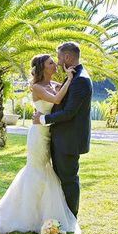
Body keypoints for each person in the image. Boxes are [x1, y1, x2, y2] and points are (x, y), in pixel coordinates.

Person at [0, 53, 81, 234]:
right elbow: (58, 99)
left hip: (49, 134)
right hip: (37, 136)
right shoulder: (37, 87)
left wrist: (68, 79)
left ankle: (42, 214)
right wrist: (69, 78)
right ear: (43, 68)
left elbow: (64, 96)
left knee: (45, 171)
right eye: (51, 63)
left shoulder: (52, 84)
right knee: (35, 170)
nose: (55, 65)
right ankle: (26, 215)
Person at [33, 42, 92, 220]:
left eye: (58, 58)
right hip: (58, 138)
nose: (57, 62)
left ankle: (71, 218)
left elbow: (69, 112)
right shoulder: (73, 76)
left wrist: (43, 119)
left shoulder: (79, 79)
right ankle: (61, 215)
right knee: (60, 179)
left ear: (67, 57)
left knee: (69, 180)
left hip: (69, 140)